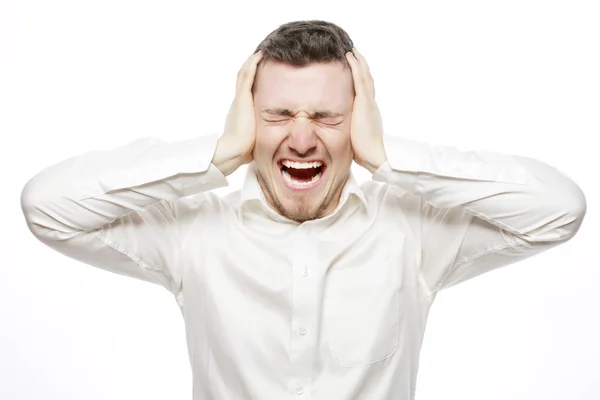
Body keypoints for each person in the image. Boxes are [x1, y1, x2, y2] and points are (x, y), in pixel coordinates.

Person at [20, 19, 586, 400]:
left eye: (326, 117)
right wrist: (215, 157)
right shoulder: (194, 232)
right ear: (248, 120)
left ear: (358, 123)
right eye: (278, 115)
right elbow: (47, 209)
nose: (301, 139)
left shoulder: (411, 231)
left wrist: (391, 161)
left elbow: (558, 209)